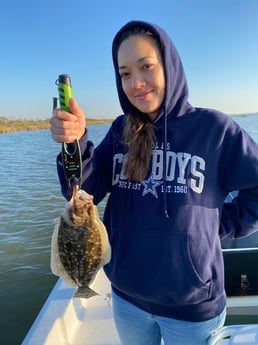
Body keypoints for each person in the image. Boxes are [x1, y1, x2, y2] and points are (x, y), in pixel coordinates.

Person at [50, 20, 258, 345]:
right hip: (127, 299)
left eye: (146, 67)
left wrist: (219, 224)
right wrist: (74, 144)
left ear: (169, 66)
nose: (136, 83)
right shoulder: (121, 131)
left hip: (192, 309)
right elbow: (84, 189)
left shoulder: (214, 130)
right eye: (125, 74)